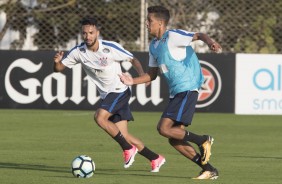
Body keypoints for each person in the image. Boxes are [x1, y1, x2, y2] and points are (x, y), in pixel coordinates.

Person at [119, 6, 222, 179]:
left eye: (149, 20)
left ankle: (203, 140)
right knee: (174, 138)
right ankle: (209, 169)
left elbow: (199, 35)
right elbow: (151, 75)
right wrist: (132, 81)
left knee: (163, 128)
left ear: (160, 23)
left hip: (188, 88)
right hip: (177, 93)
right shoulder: (154, 46)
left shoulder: (173, 36)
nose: (146, 23)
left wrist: (210, 42)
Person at [53, 17, 165, 172]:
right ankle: (155, 158)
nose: (88, 36)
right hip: (107, 95)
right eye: (85, 33)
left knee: (99, 117)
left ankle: (127, 149)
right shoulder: (78, 52)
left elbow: (133, 59)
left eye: (91, 33)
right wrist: (57, 62)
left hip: (119, 90)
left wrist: (141, 76)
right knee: (123, 134)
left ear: (97, 33)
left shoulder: (110, 48)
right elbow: (58, 69)